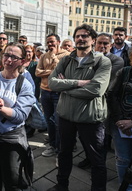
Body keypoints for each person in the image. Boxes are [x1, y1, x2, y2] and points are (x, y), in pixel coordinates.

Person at [47, 24, 111, 191]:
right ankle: (61, 185)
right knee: (63, 154)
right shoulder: (66, 59)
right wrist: (78, 83)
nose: (81, 39)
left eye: (85, 36)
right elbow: (52, 82)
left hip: (89, 118)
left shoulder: (102, 61)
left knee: (96, 159)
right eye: (78, 36)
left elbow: (96, 89)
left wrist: (65, 87)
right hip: (66, 116)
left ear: (93, 40)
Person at [0, 43, 34, 190]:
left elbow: (20, 116)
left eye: (14, 57)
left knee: (13, 181)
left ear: (22, 61)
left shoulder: (24, 84)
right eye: (6, 55)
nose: (9, 60)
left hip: (11, 139)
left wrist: (0, 108)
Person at [78, 33, 124, 169]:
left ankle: (98, 164)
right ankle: (89, 158)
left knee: (100, 138)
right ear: (94, 43)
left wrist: (81, 80)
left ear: (110, 45)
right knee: (83, 134)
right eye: (100, 43)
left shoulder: (117, 61)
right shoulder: (86, 58)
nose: (102, 46)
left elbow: (101, 80)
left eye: (105, 44)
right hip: (85, 101)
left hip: (103, 103)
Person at [36, 34, 70, 158]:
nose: (50, 44)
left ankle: (59, 148)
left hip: (58, 92)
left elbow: (64, 73)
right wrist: (52, 73)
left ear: (58, 42)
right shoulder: (44, 56)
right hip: (45, 92)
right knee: (48, 120)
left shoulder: (66, 55)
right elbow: (37, 72)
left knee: (57, 121)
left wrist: (54, 58)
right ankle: (52, 145)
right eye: (48, 42)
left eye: (52, 42)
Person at [107, 40, 132, 189]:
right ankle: (126, 187)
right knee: (122, 159)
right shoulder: (124, 72)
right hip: (120, 125)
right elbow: (112, 95)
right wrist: (120, 120)